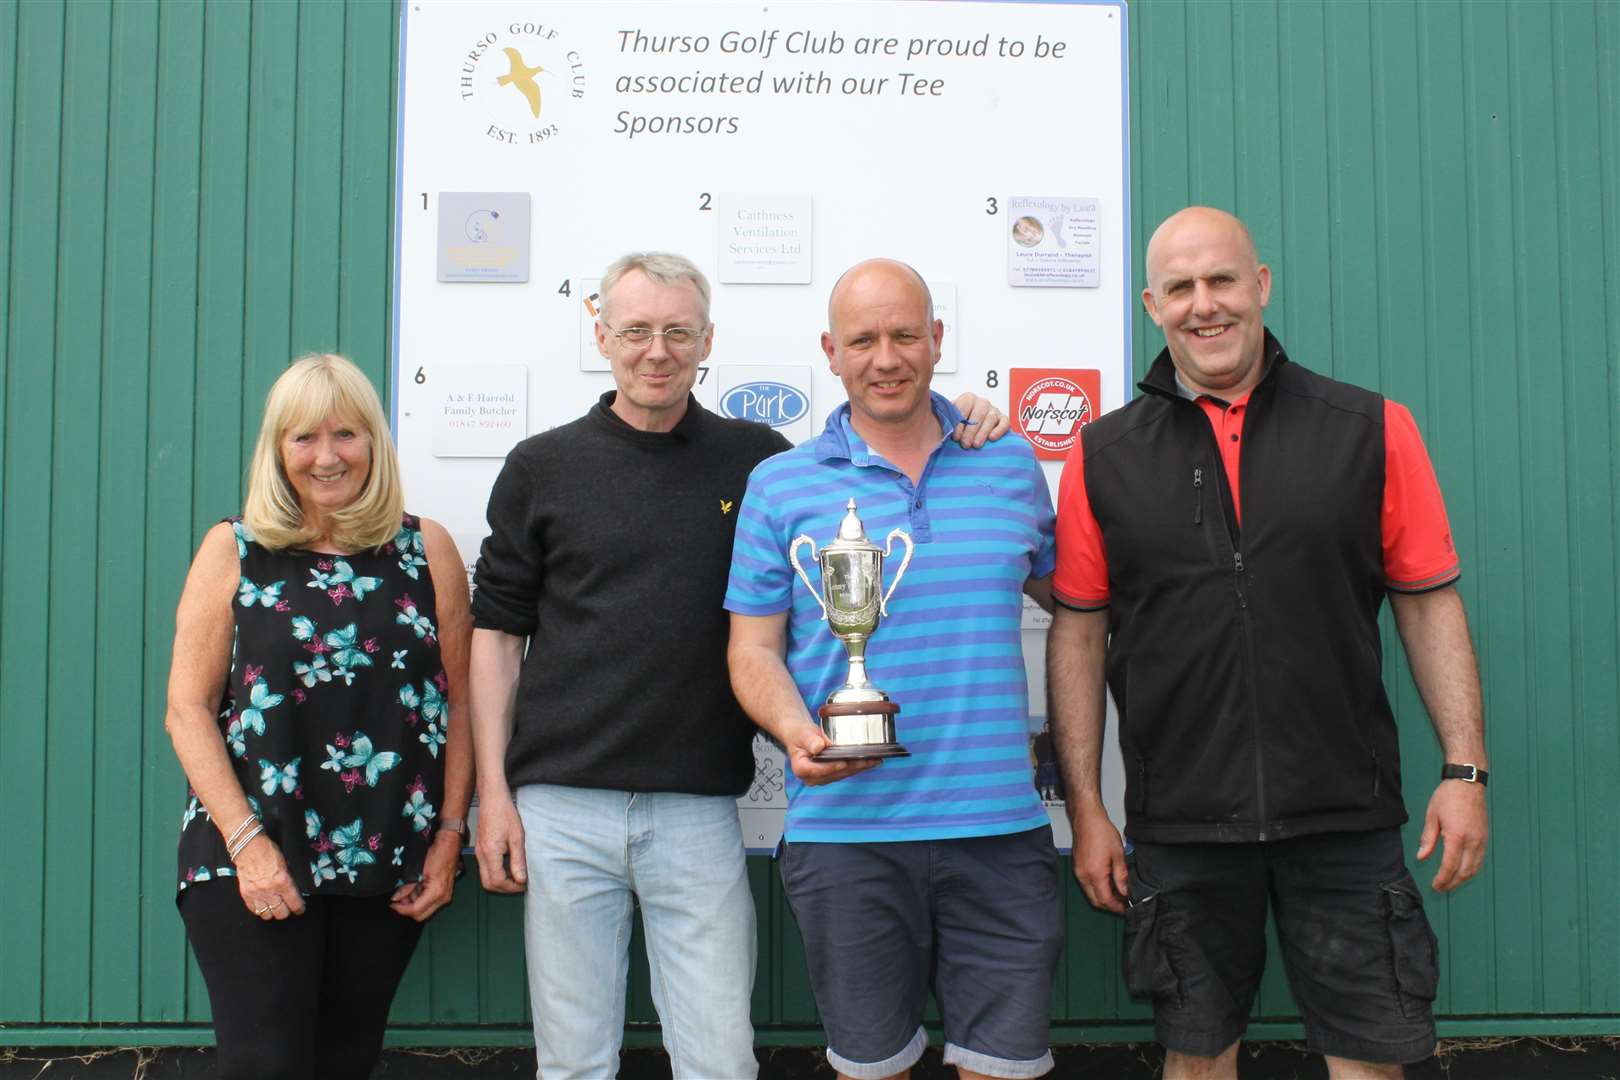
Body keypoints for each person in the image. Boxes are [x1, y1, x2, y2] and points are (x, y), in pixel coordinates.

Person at [468, 251, 1010, 1080]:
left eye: (678, 332)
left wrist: (967, 414)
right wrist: (494, 798)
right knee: (572, 1062)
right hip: (561, 808)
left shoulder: (758, 460)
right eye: (638, 330)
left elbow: (870, 460)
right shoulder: (541, 466)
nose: (658, 350)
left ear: (706, 339)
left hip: (698, 810)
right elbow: (498, 639)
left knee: (720, 1062)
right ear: (601, 333)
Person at [1046, 207, 1489, 1080]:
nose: (1204, 305)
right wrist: (1089, 807)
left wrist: (1465, 770)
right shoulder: (1101, 456)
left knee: (1369, 1062)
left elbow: (1430, 604)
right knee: (1198, 1061)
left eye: (1222, 281)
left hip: (1346, 813)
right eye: (1180, 288)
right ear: (1151, 303)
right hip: (1182, 822)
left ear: (1261, 287)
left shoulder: (1371, 427)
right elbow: (1078, 635)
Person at [726, 258, 1062, 1080]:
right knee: (873, 1072)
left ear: (937, 340)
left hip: (1001, 832)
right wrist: (801, 732)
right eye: (864, 339)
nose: (887, 357)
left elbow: (1081, 606)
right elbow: (752, 650)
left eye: (906, 334)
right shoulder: (780, 485)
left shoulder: (1009, 463)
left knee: (1005, 1070)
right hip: (848, 835)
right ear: (830, 352)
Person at [166, 353, 472, 1079]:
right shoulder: (234, 549)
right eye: (304, 437)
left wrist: (450, 836)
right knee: (265, 1065)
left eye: (346, 435)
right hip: (250, 849)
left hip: (389, 855)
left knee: (344, 1062)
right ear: (277, 449)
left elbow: (461, 706)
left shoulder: (427, 551)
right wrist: (248, 844)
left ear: (374, 442)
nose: (327, 456)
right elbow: (187, 709)